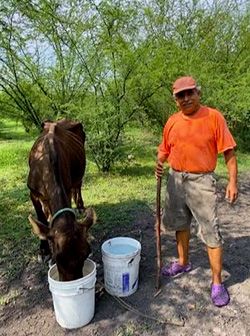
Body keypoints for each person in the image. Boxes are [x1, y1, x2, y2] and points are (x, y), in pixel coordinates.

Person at [155, 76, 238, 307]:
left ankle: (217, 282)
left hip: (202, 182)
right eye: (180, 95)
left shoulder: (213, 117)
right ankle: (183, 262)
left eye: (190, 92)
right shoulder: (172, 121)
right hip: (175, 179)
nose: (186, 98)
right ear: (175, 100)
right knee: (180, 224)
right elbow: (164, 149)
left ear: (198, 93)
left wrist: (232, 182)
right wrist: (159, 162)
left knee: (211, 230)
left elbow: (229, 153)